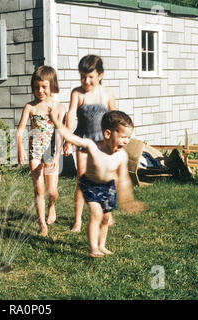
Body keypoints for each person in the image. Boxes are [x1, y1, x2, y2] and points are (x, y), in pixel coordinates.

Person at [50, 109, 147, 258]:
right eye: (122, 137)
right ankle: (93, 247)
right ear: (108, 134)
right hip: (89, 185)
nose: (126, 141)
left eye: (128, 137)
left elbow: (124, 179)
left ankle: (102, 245)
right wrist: (56, 122)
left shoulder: (122, 155)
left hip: (108, 187)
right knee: (96, 213)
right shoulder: (92, 146)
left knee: (106, 218)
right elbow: (71, 137)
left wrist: (128, 200)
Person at [64, 55, 117, 232]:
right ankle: (78, 220)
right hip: (83, 141)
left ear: (100, 75)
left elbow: (114, 118)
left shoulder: (107, 94)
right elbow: (71, 115)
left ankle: (106, 214)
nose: (86, 81)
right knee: (82, 179)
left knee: (104, 177)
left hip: (102, 143)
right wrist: (68, 138)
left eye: (90, 77)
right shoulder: (78, 93)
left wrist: (116, 140)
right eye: (82, 77)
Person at [17, 66, 66, 237]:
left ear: (52, 86)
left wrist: (57, 155)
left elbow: (60, 134)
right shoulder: (30, 107)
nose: (40, 91)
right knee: (39, 189)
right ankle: (42, 224)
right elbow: (20, 130)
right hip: (35, 152)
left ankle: (52, 206)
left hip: (51, 152)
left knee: (52, 191)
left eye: (44, 87)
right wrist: (20, 150)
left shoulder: (59, 108)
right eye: (37, 87)